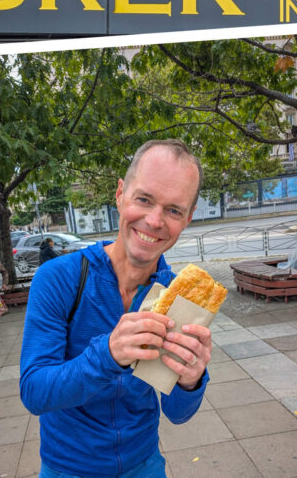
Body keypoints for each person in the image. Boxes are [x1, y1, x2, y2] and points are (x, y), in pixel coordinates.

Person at [20, 139, 213, 477]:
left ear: (188, 218)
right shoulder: (59, 279)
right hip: (67, 468)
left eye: (173, 210)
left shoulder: (174, 294)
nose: (154, 221)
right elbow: (35, 392)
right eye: (144, 199)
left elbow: (178, 413)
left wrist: (191, 380)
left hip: (145, 464)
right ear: (120, 195)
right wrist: (107, 354)